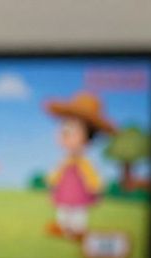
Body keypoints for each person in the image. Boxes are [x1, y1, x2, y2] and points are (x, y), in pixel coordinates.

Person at [44, 91, 115, 241]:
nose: (64, 135)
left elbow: (92, 176)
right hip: (64, 191)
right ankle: (63, 227)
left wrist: (96, 187)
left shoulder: (85, 162)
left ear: (87, 138)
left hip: (79, 192)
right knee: (63, 210)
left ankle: (78, 230)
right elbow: (56, 174)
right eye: (63, 130)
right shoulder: (64, 161)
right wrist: (51, 183)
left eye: (71, 131)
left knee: (78, 211)